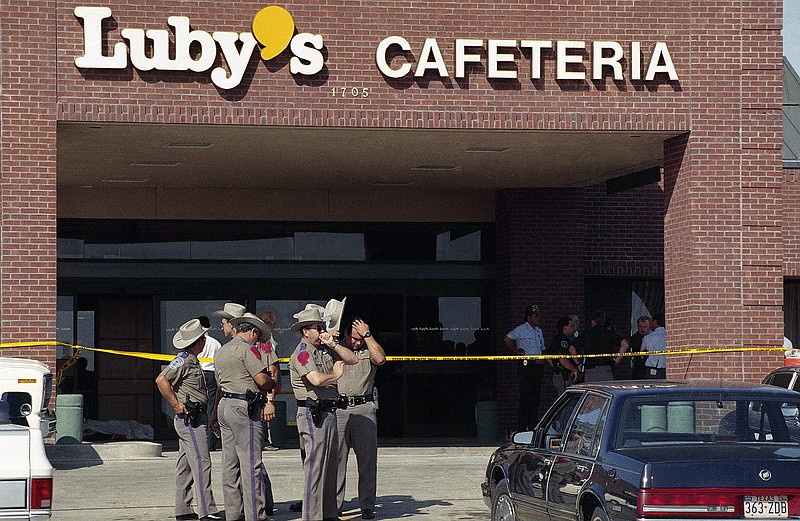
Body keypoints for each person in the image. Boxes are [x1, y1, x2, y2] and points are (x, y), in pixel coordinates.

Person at [289, 303, 358, 521]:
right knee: (315, 467)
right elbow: (315, 379)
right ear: (305, 331)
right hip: (313, 414)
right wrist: (336, 376)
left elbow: (352, 359)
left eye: (321, 327)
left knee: (331, 467)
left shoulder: (324, 349)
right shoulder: (302, 354)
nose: (321, 331)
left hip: (329, 412)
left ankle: (329, 514)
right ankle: (312, 516)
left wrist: (334, 345)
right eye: (316, 328)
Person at [155, 318, 223, 521]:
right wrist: (175, 404)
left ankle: (183, 509)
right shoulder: (183, 360)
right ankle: (207, 510)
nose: (204, 342)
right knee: (202, 462)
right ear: (197, 342)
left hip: (197, 416)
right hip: (190, 420)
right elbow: (161, 380)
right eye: (202, 338)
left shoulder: (193, 360)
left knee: (185, 465)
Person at [214, 312, 277, 521]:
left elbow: (219, 384)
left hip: (225, 405)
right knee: (251, 464)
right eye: (257, 337)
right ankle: (255, 515)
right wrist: (272, 382)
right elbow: (261, 379)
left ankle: (233, 513)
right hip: (244, 407)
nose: (257, 341)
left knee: (229, 465)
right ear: (252, 332)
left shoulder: (222, 351)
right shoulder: (248, 349)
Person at [335, 318, 386, 520]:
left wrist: (367, 335)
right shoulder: (337, 349)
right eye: (354, 339)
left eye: (360, 339)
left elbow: (381, 359)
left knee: (367, 461)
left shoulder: (368, 349)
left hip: (364, 408)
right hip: (339, 407)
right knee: (337, 461)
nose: (357, 343)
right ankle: (335, 505)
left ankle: (367, 504)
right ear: (347, 334)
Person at [504, 304, 546, 431]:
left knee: (535, 398)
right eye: (535, 316)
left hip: (537, 366)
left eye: (538, 315)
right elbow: (507, 338)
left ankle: (533, 426)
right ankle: (522, 427)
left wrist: (542, 358)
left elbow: (542, 348)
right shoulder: (521, 329)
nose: (538, 318)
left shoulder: (539, 331)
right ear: (528, 317)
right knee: (525, 397)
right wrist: (516, 351)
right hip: (526, 365)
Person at [574, 311, 628, 382]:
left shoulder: (586, 334)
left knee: (591, 391)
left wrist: (578, 363)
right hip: (606, 368)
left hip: (590, 369)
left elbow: (572, 348)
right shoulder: (610, 333)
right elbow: (625, 344)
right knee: (606, 391)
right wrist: (617, 359)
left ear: (593, 321)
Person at [196, 315, 222, 451]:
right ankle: (210, 444)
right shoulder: (215, 343)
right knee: (212, 407)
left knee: (199, 406)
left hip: (199, 374)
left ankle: (200, 442)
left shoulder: (196, 341)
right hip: (212, 374)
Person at [258, 311, 281, 451]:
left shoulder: (267, 339)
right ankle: (264, 440)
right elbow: (272, 366)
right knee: (264, 411)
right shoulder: (266, 340)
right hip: (265, 380)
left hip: (266, 380)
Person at [545, 316, 580, 397]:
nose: (574, 328)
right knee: (566, 399)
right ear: (565, 327)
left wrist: (555, 367)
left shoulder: (562, 338)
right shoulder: (561, 340)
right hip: (564, 376)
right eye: (571, 326)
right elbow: (562, 359)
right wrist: (574, 369)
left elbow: (547, 355)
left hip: (561, 374)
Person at [642, 312, 667, 379]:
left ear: (655, 322)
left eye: (651, 321)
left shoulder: (648, 337)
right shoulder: (671, 337)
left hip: (652, 370)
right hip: (667, 371)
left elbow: (642, 353)